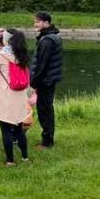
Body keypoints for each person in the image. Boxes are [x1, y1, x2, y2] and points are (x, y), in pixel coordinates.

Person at [0, 29, 32, 166]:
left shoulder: (1, 55)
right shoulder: (23, 54)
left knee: (5, 129)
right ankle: (25, 158)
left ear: (6, 40)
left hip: (5, 96)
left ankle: (10, 161)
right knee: (19, 127)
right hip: (20, 96)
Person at [31, 12, 64, 149]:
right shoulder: (52, 36)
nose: (35, 24)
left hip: (46, 81)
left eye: (38, 22)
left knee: (44, 110)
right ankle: (48, 139)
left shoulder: (47, 41)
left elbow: (42, 65)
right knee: (46, 108)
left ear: (46, 23)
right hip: (49, 79)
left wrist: (34, 82)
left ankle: (47, 142)